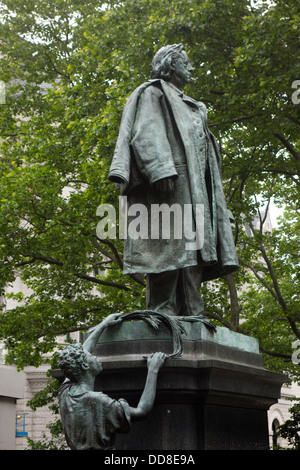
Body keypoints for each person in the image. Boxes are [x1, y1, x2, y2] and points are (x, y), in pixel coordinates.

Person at [108, 44, 239, 317]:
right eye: (187, 63)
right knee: (167, 249)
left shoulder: (192, 106)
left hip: (196, 189)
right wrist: (160, 170)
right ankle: (161, 313)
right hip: (170, 185)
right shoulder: (153, 93)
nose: (192, 68)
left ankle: (192, 312)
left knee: (193, 250)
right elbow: (145, 132)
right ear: (170, 64)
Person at [58, 313, 166, 450]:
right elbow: (142, 410)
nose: (94, 356)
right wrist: (153, 369)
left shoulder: (64, 394)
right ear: (85, 366)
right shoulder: (99, 401)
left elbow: (85, 349)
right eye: (91, 356)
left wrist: (103, 324)